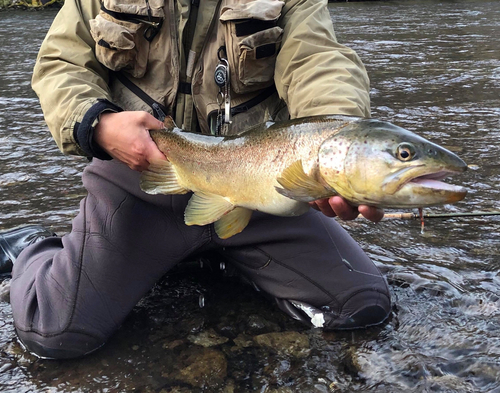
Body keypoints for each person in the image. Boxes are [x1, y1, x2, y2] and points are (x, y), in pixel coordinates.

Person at [1, 0, 391, 359]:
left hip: (259, 186)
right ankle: (35, 248)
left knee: (360, 306)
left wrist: (336, 146)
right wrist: (98, 124)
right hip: (138, 180)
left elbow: (318, 63)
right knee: (54, 332)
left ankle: (224, 255)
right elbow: (61, 63)